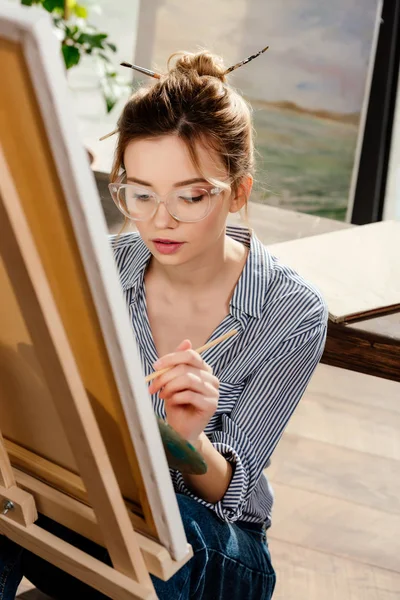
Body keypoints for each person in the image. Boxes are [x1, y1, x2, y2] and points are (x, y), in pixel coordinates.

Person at [0, 49, 327, 599]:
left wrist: (186, 439)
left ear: (238, 193)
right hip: (88, 513)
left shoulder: (290, 310)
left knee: (169, 523)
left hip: (216, 553)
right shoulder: (98, 266)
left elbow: (231, 491)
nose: (159, 220)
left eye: (190, 197)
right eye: (141, 193)